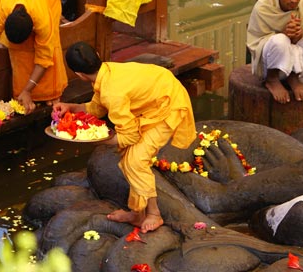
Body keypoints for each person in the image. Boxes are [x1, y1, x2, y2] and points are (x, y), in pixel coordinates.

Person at [52, 41, 196, 233]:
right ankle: (137, 214)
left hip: (168, 104)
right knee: (128, 160)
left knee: (135, 161)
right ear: (97, 55)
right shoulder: (106, 72)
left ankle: (154, 214)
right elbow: (96, 108)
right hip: (156, 97)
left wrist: (99, 139)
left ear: (78, 75)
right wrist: (70, 107)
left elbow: (129, 137)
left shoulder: (112, 92)